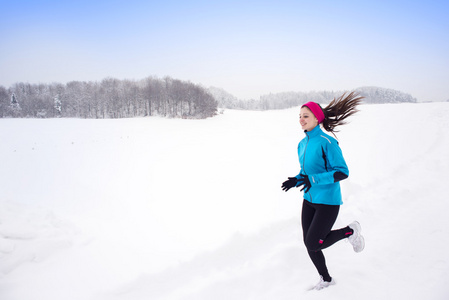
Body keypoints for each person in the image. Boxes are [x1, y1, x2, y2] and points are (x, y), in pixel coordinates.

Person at [281, 91, 365, 290]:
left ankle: (350, 231)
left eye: (306, 116)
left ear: (317, 118)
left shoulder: (327, 142)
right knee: (310, 243)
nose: (301, 120)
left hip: (328, 201)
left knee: (313, 243)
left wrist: (313, 179)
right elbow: (307, 171)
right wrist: (298, 179)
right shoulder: (302, 144)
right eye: (299, 116)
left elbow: (342, 172)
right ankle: (326, 279)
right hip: (309, 200)